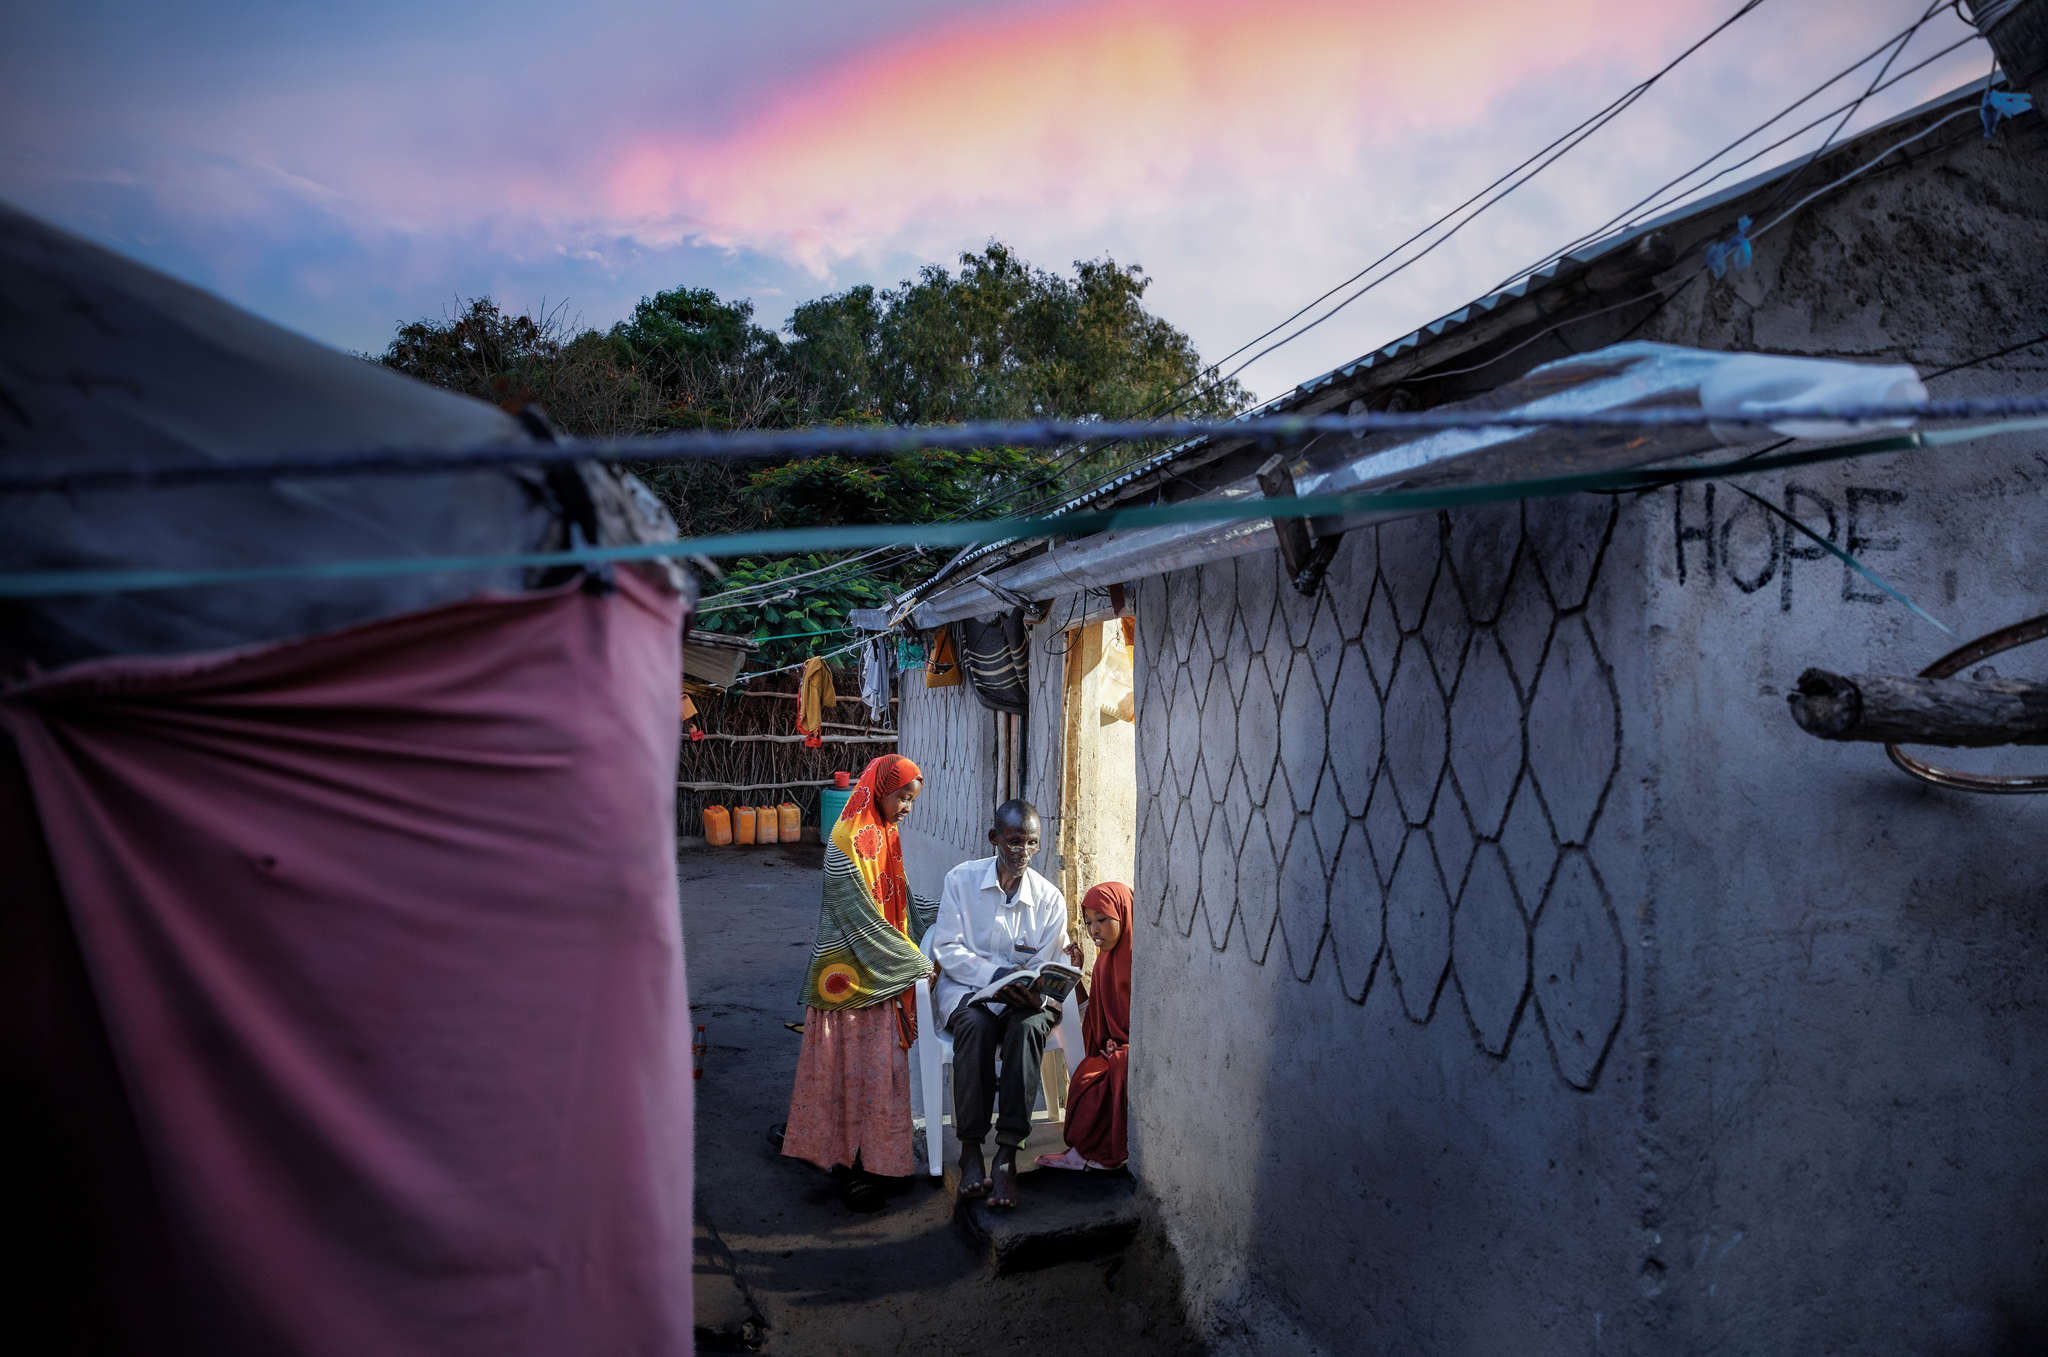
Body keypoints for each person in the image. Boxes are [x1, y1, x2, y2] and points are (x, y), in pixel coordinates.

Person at [781, 754, 937, 1212]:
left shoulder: (885, 834)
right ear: (880, 788)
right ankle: (849, 1168)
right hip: (848, 983)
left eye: (912, 800)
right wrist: (917, 962)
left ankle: (881, 1163)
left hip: (878, 978)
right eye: (903, 797)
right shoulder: (846, 839)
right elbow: (858, 918)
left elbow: (903, 901)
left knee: (878, 1074)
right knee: (848, 1074)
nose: (907, 807)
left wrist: (952, 914)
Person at [927, 799, 1069, 1209]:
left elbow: (1047, 961)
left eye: (1031, 843)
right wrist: (992, 977)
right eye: (1013, 841)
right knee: (975, 1028)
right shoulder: (961, 881)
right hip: (970, 992)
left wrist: (1033, 990)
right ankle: (971, 1149)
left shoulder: (1049, 898)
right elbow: (947, 947)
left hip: (1024, 1001)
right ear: (994, 839)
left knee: (1026, 1030)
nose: (1022, 852)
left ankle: (1007, 1153)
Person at [1037, 882, 1133, 1172]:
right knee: (1086, 1074)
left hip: (1137, 1051)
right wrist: (1076, 976)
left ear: (1124, 914)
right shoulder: (1103, 962)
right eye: (1089, 922)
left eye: (1102, 920)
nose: (1094, 930)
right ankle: (1082, 1154)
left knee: (1101, 1080)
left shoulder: (1140, 959)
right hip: (1111, 1048)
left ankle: (1093, 1156)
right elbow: (1093, 1016)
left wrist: (1125, 1047)